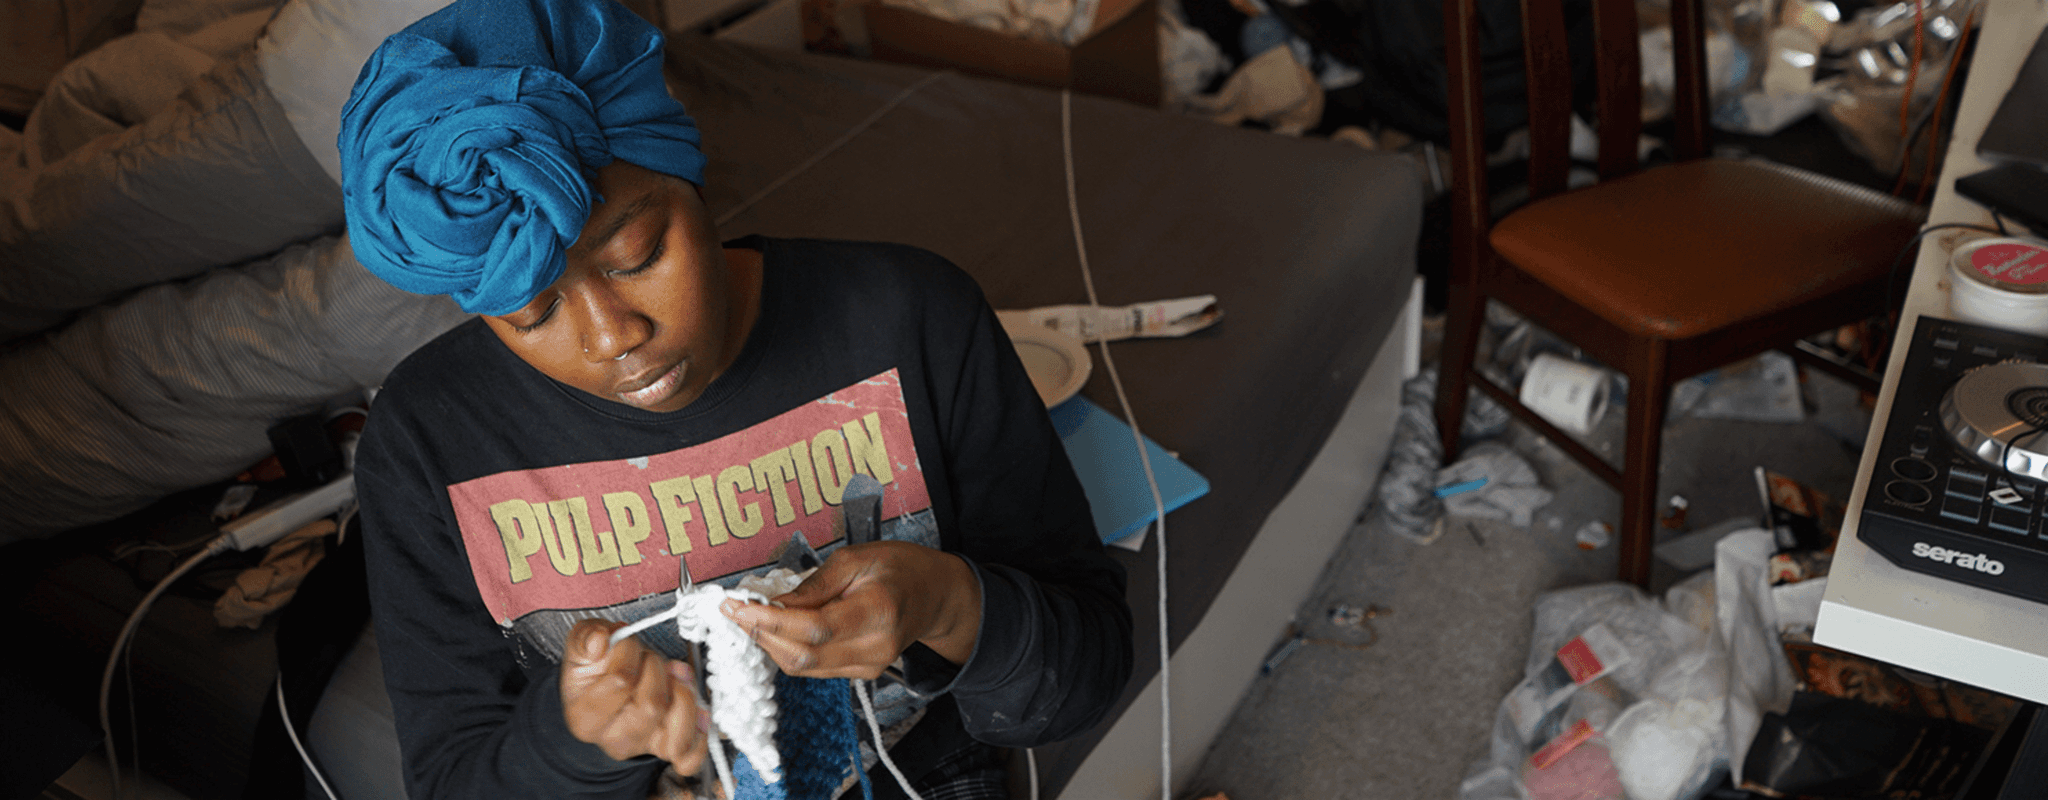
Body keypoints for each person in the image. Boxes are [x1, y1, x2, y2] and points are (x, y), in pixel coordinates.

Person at [340, 0, 1133, 796]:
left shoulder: (909, 317)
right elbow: (452, 779)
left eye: (636, 255)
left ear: (690, 179)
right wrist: (573, 743)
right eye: (533, 313)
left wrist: (946, 606)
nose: (614, 336)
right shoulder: (426, 441)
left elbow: (1087, 670)